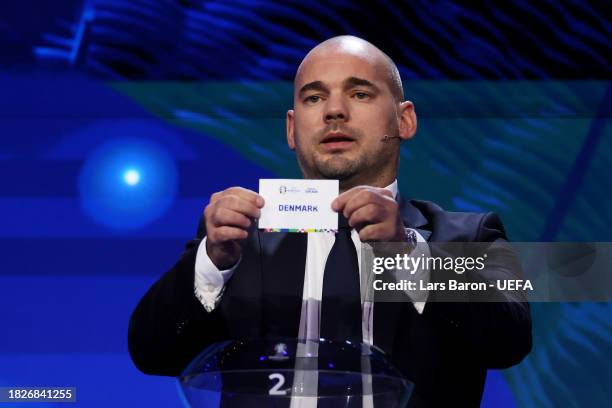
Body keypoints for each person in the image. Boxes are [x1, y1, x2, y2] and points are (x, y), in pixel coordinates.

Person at [128, 36, 532, 407]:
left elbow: (509, 341)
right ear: (291, 129)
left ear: (404, 120)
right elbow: (152, 353)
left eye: (359, 93)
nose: (334, 111)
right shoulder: (236, 242)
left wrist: (407, 254)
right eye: (314, 98)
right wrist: (212, 263)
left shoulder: (470, 236)